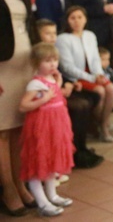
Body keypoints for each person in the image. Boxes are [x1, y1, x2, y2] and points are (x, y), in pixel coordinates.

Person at [0, 0, 37, 216]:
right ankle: (8, 190)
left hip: (24, 67)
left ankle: (21, 183)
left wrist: (38, 65)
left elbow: (30, 27)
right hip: (2, 71)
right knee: (2, 132)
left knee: (19, 131)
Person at [37, 19, 103, 169]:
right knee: (81, 105)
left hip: (60, 88)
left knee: (94, 97)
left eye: (54, 33)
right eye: (48, 33)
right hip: (47, 94)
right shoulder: (39, 52)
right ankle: (76, 151)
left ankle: (81, 145)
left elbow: (59, 71)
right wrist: (60, 88)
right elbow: (40, 77)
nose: (53, 37)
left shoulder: (52, 48)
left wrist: (69, 83)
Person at [18, 42, 74, 217]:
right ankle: (42, 202)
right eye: (47, 61)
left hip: (56, 127)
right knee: (38, 163)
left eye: (55, 60)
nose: (52, 64)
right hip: (41, 129)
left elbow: (56, 94)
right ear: (36, 63)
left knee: (51, 162)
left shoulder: (52, 79)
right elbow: (23, 106)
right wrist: (45, 98)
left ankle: (52, 195)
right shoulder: (35, 83)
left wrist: (58, 83)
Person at [56, 6, 113, 143]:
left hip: (93, 74)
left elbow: (95, 58)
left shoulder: (90, 35)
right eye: (73, 18)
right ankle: (100, 126)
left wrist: (99, 74)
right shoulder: (63, 39)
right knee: (100, 91)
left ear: (85, 19)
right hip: (76, 77)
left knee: (110, 90)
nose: (76, 21)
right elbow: (67, 66)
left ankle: (103, 123)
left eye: (80, 17)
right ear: (67, 21)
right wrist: (90, 77)